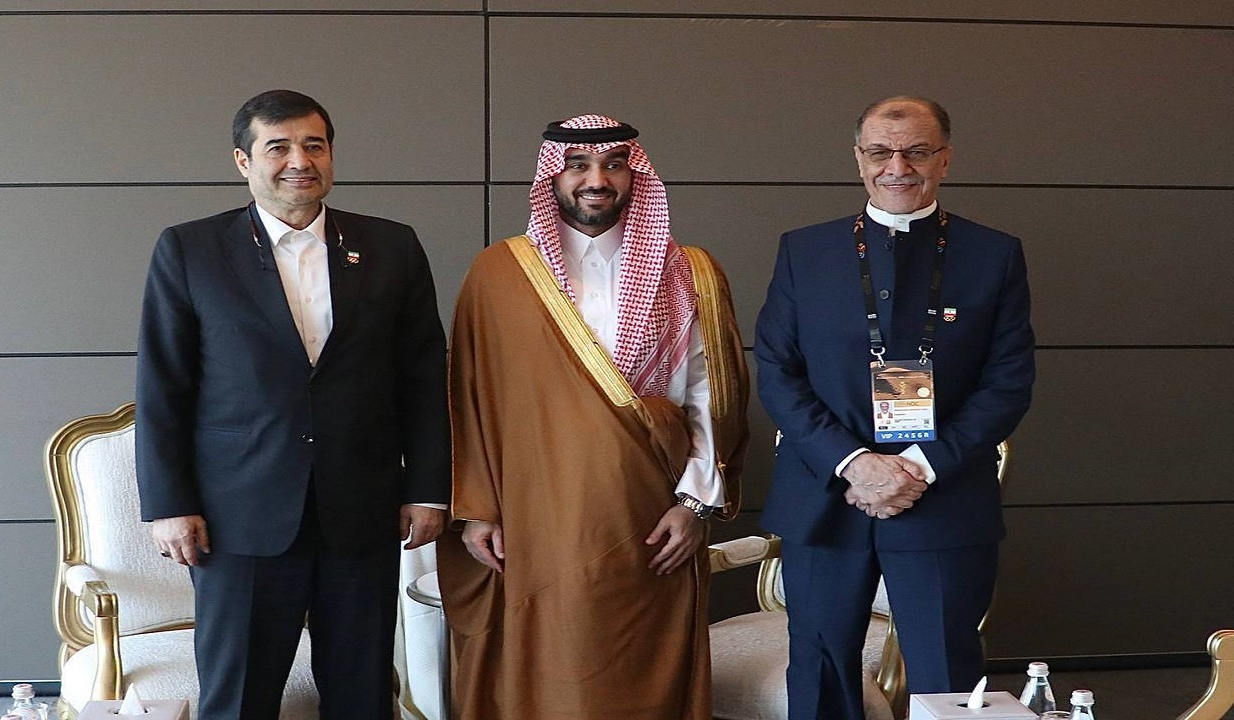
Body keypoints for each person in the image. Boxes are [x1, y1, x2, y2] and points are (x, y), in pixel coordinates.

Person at [135, 89, 451, 720]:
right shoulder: (190, 250)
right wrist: (169, 504)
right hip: (239, 517)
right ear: (243, 160)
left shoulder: (392, 246)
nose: (299, 161)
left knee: (361, 694)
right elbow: (163, 387)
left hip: (360, 510)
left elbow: (421, 378)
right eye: (277, 147)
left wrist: (427, 489)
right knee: (239, 698)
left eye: (314, 145)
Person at [435, 114, 749, 719]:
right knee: (551, 657)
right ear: (553, 176)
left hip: (652, 515)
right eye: (578, 165)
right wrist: (477, 510)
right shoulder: (499, 274)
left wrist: (695, 505)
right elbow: (467, 400)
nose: (596, 180)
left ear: (636, 175)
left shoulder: (691, 272)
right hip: (535, 515)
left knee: (643, 669)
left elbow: (712, 397)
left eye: (612, 165)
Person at [754, 96, 1036, 720]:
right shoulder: (805, 251)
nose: (898, 167)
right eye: (880, 152)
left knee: (947, 673)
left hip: (944, 494)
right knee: (820, 670)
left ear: (945, 159)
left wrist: (918, 468)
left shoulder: (993, 254)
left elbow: (1008, 383)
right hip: (826, 493)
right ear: (858, 158)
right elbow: (777, 371)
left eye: (917, 152)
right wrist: (854, 463)